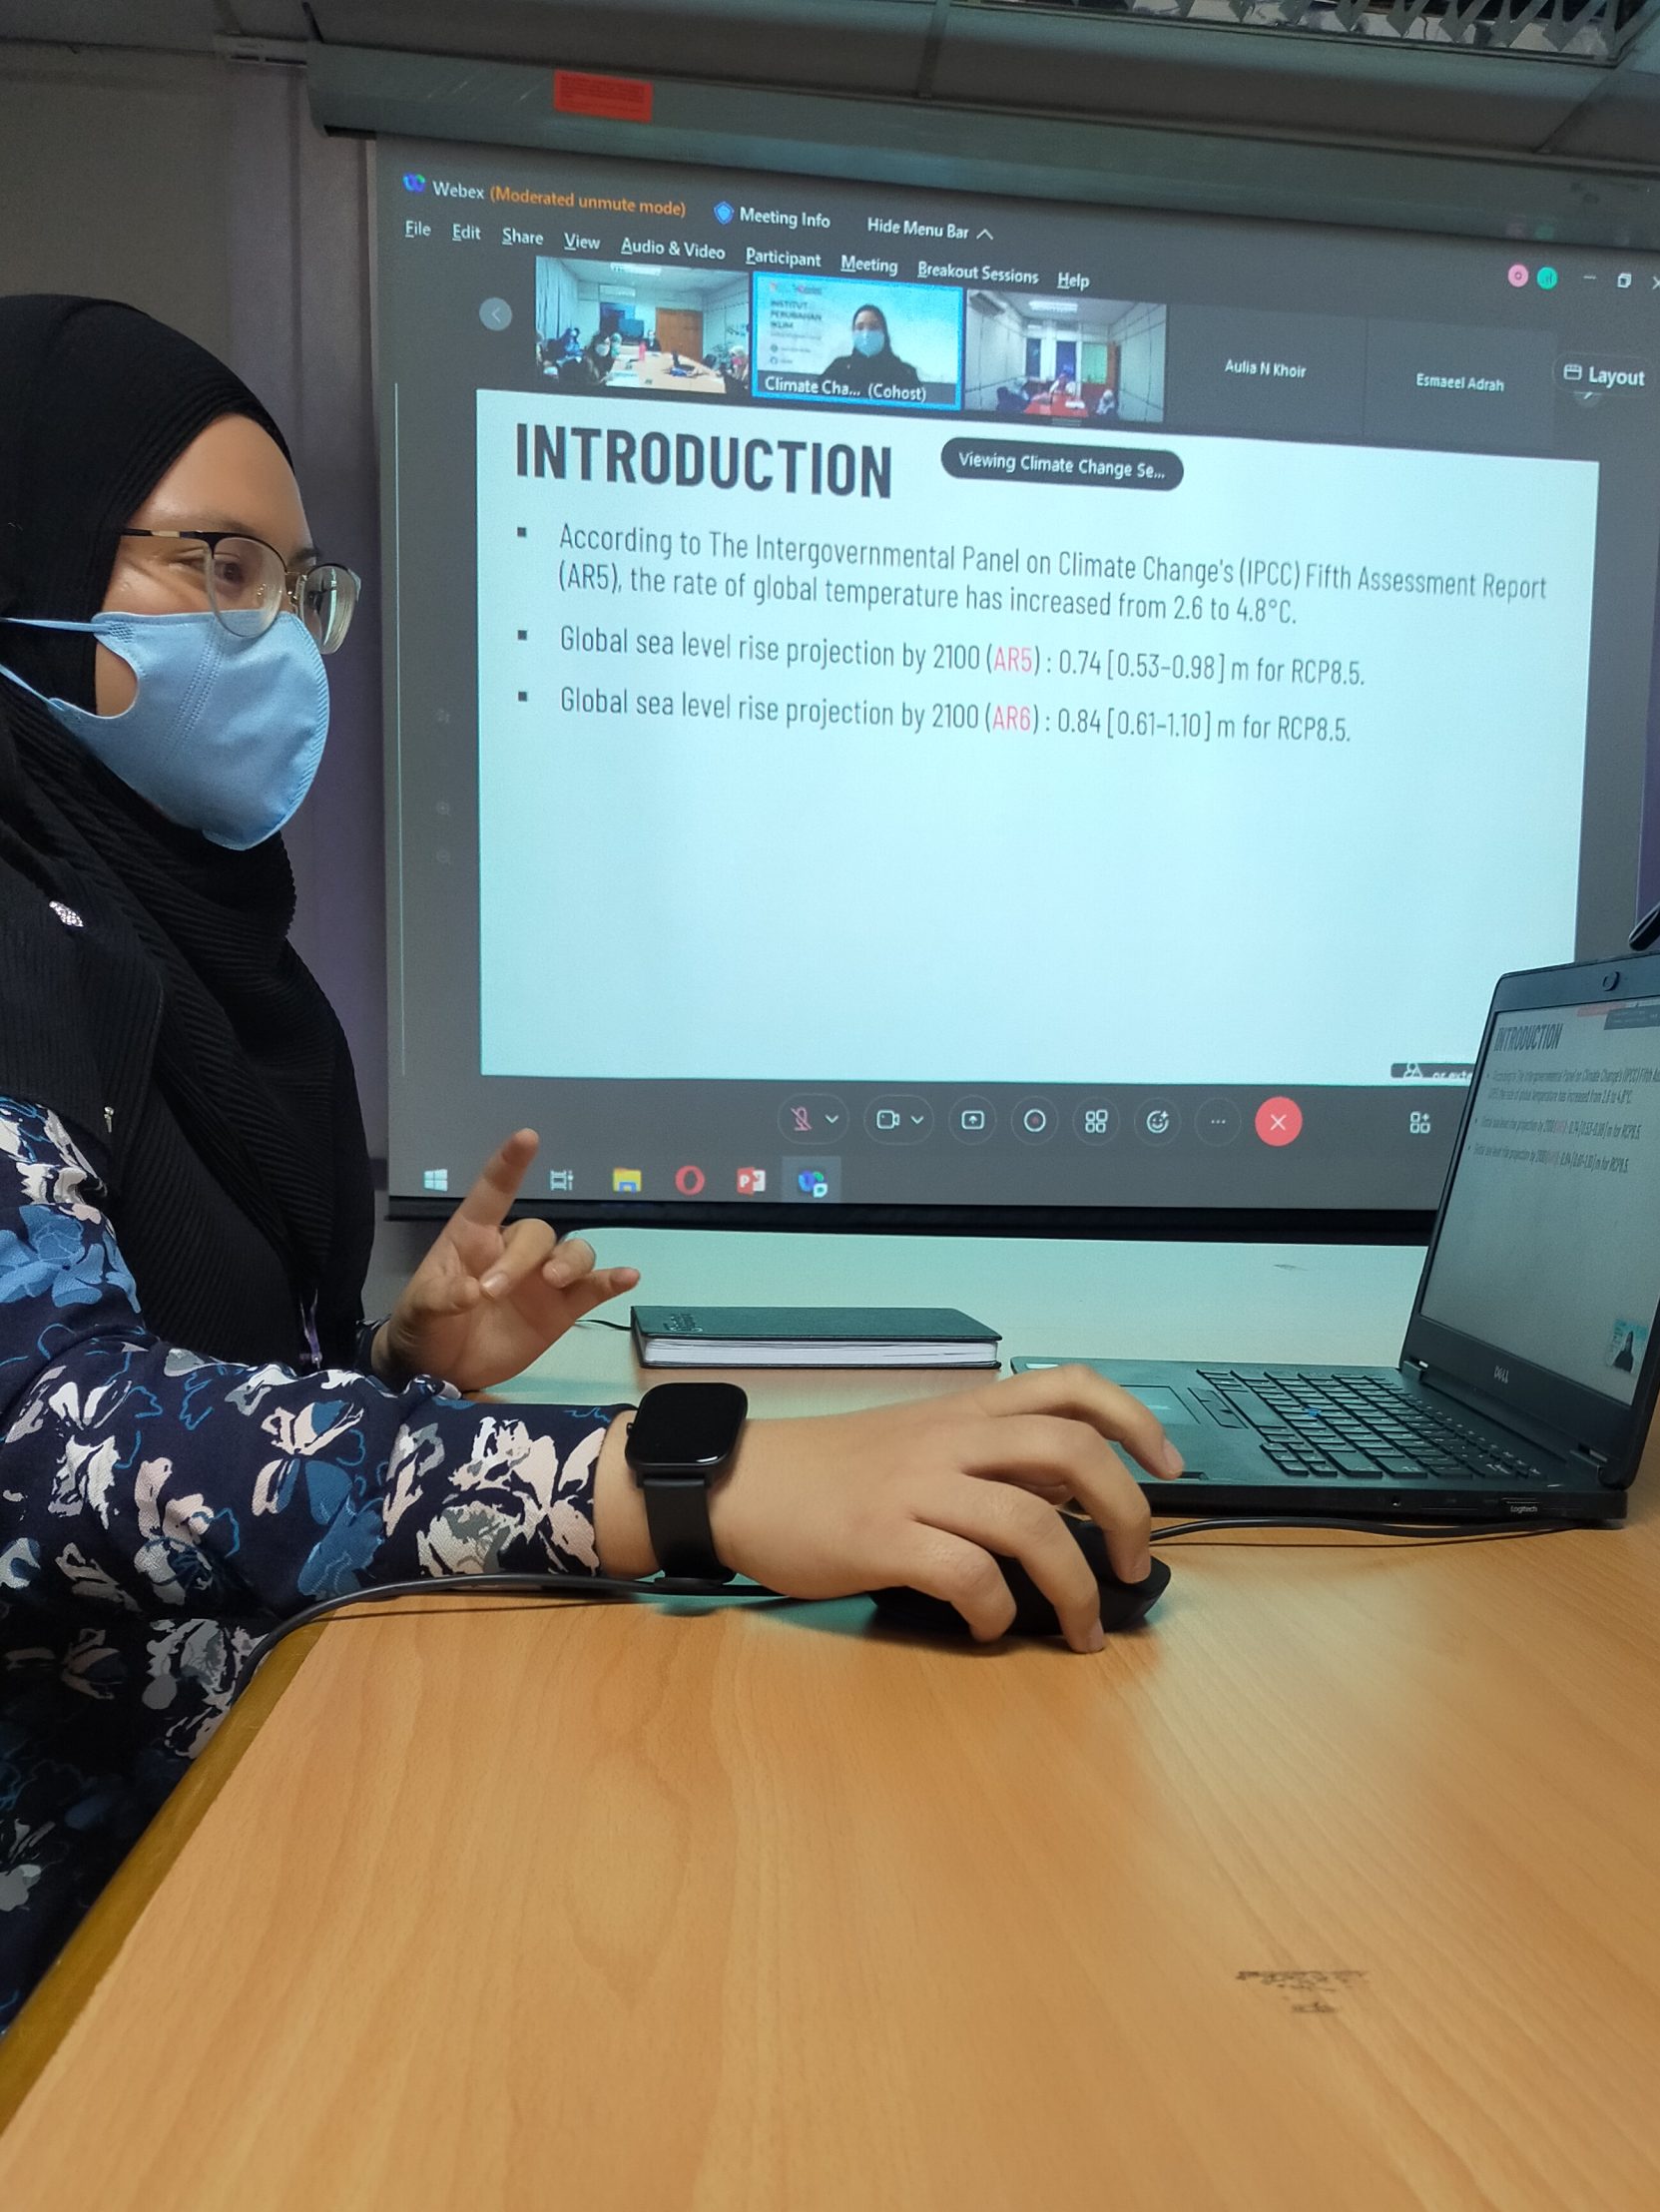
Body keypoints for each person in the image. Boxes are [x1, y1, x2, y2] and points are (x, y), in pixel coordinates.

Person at [0, 295, 1180, 2029]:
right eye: (223, 568)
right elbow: (39, 1445)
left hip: (249, 1796)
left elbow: (158, 1405)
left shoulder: (170, 940)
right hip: (82, 1931)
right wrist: (693, 1479)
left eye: (302, 591)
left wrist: (392, 1369)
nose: (286, 639)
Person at [819, 305, 922, 398]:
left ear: (884, 332)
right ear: (853, 332)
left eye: (873, 327)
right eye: (860, 327)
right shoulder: (838, 369)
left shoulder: (905, 373)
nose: (866, 333)